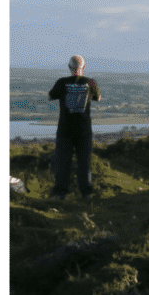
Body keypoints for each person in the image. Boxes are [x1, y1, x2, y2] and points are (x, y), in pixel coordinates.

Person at [48, 55, 101, 199]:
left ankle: (60, 193)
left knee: (63, 161)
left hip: (65, 128)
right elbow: (98, 97)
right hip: (84, 129)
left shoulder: (61, 82)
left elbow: (50, 96)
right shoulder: (90, 82)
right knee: (84, 161)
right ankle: (86, 193)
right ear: (83, 67)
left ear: (70, 67)